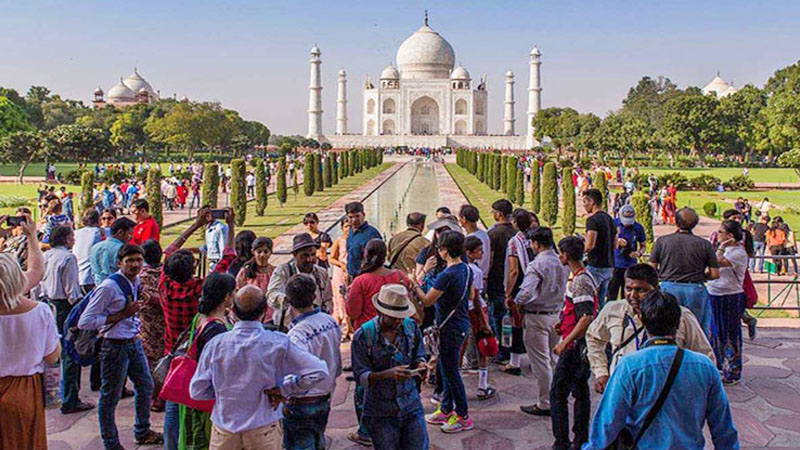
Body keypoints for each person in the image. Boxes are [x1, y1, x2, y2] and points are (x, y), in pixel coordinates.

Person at [583, 291, 739, 449]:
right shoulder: (704, 366)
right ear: (678, 323)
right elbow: (723, 427)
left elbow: (608, 422)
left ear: (643, 321)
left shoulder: (630, 366)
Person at [189, 285, 329, 449]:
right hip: (263, 430)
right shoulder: (278, 343)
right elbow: (319, 371)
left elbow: (197, 390)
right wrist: (284, 389)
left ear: (233, 310)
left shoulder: (216, 345)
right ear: (265, 310)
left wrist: (225, 390)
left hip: (224, 430)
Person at [78, 244, 164, 448]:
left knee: (146, 385)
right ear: (119, 263)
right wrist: (120, 315)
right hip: (114, 346)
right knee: (110, 397)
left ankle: (142, 431)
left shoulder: (135, 282)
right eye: (130, 261)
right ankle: (111, 442)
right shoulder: (109, 287)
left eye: (138, 260)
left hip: (133, 342)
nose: (135, 265)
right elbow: (85, 321)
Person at [585, 263, 714, 394]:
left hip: (666, 394)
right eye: (628, 289)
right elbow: (594, 338)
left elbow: (705, 357)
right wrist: (601, 372)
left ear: (656, 289)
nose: (633, 295)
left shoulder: (681, 316)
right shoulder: (613, 310)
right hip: (622, 391)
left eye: (640, 290)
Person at [0, 214, 59, 450]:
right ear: (18, 278)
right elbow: (52, 356)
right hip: (24, 390)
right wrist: (32, 236)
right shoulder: (39, 312)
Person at [351, 284, 430, 450]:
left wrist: (421, 365)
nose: (398, 321)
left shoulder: (410, 327)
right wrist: (386, 374)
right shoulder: (364, 336)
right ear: (380, 312)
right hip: (381, 412)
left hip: (411, 405)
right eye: (393, 317)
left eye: (401, 316)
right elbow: (361, 377)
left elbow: (418, 354)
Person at [412, 231, 475, 434]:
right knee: (447, 369)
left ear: (445, 250)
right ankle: (447, 408)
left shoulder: (448, 274)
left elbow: (428, 300)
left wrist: (414, 283)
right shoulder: (466, 269)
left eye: (440, 247)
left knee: (451, 372)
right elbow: (472, 294)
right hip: (460, 324)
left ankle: (463, 415)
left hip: (450, 328)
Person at [284, 274, 343, 450]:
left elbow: (302, 374)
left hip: (302, 402)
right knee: (318, 440)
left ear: (288, 301)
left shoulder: (297, 335)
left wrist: (284, 390)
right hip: (324, 396)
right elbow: (337, 362)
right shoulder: (329, 321)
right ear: (314, 296)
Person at [177, 273, 236, 449]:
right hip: (207, 399)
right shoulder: (216, 329)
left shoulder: (202, 317)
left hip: (196, 391)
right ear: (226, 297)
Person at [515, 227, 569, 417]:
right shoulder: (562, 261)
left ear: (536, 243)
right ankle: (557, 397)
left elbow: (526, 292)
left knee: (541, 362)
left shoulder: (537, 264)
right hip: (556, 314)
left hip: (537, 315)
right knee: (553, 359)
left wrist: (518, 302)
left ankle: (546, 402)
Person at [550, 236, 598, 450]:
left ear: (566, 255)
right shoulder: (579, 277)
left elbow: (586, 317)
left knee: (558, 393)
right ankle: (580, 438)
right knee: (580, 390)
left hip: (574, 346)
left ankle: (563, 442)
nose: (559, 256)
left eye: (560, 253)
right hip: (575, 341)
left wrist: (565, 342)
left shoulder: (581, 281)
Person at [40, 225, 94, 414]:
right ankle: (71, 398)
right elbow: (72, 291)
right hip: (64, 307)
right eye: (72, 237)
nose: (74, 240)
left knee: (52, 352)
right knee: (71, 353)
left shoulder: (45, 256)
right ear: (65, 239)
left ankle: (55, 395)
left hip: (48, 305)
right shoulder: (68, 258)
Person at [649, 207, 719, 338]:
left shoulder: (662, 241)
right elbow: (715, 274)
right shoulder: (705, 244)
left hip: (669, 287)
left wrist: (664, 274)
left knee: (667, 329)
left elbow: (651, 268)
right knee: (697, 331)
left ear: (676, 222)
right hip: (695, 288)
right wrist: (701, 276)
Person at [709, 220, 749, 385]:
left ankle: (732, 369)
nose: (718, 235)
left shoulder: (738, 253)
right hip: (715, 293)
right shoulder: (728, 250)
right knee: (715, 332)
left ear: (730, 236)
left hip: (730, 295)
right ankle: (717, 365)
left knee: (730, 334)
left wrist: (720, 247)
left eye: (721, 232)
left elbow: (717, 262)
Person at [267, 233, 333, 331]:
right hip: (288, 328)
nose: (310, 259)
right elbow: (271, 295)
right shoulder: (283, 271)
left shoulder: (321, 273)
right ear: (295, 255)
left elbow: (328, 299)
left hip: (315, 328)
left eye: (313, 254)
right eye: (305, 255)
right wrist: (290, 299)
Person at [347, 239, 415, 330]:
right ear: (385, 256)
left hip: (368, 331)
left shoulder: (360, 281)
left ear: (365, 255)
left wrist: (346, 296)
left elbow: (353, 312)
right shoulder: (399, 276)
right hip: (397, 329)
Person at [502, 209, 536, 375]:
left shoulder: (515, 242)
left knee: (517, 324)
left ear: (515, 223)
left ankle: (514, 362)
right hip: (536, 283)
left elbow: (513, 270)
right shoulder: (535, 238)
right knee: (532, 324)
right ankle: (534, 359)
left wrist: (508, 293)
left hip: (521, 286)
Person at [463, 235, 496, 400]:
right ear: (469, 253)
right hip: (476, 311)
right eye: (479, 251)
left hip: (463, 312)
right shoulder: (475, 271)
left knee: (461, 348)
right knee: (484, 344)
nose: (482, 253)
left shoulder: (458, 268)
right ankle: (482, 385)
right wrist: (484, 321)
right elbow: (476, 297)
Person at [486, 199, 516, 364]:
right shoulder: (516, 232)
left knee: (498, 317)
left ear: (499, 214)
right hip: (513, 279)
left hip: (497, 279)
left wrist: (485, 278)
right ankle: (513, 347)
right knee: (511, 316)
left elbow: (489, 259)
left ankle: (503, 350)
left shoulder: (494, 234)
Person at [137, 239, 166, 412]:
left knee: (151, 363)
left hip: (147, 326)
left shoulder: (140, 277)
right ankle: (161, 396)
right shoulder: (168, 273)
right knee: (164, 361)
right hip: (165, 324)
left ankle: (154, 397)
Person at [582, 188, 616, 306]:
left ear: (592, 202)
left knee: (590, 300)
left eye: (585, 202)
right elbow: (615, 244)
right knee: (601, 301)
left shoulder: (592, 220)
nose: (584, 206)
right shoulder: (610, 219)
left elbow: (589, 245)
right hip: (609, 265)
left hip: (596, 265)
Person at [608, 205, 647, 301]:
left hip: (630, 265)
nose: (627, 224)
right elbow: (605, 240)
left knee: (627, 294)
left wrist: (638, 253)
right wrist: (617, 240)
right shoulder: (613, 224)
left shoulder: (638, 228)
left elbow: (643, 245)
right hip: (615, 264)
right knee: (612, 293)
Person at [90, 217, 136, 285]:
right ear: (120, 232)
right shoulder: (122, 249)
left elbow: (93, 272)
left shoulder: (95, 247)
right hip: (118, 289)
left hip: (99, 288)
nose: (131, 237)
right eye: (130, 233)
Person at [235, 237, 276, 311]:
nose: (262, 255)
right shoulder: (245, 272)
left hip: (271, 314)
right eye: (259, 252)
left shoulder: (275, 272)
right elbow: (237, 291)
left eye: (266, 252)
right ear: (253, 252)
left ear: (271, 252)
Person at [345, 201, 383, 279]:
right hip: (352, 275)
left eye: (357, 216)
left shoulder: (372, 234)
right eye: (351, 217)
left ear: (363, 215)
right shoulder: (351, 232)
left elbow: (379, 258)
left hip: (367, 276)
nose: (354, 220)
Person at [387, 212, 430, 276]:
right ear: (422, 225)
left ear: (407, 223)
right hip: (413, 278)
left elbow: (388, 256)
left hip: (395, 277)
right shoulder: (424, 242)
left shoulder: (394, 238)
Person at [73, 209, 104, 294]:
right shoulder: (99, 233)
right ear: (99, 220)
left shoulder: (75, 233)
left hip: (77, 277)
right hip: (92, 278)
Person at [330, 221, 352, 338]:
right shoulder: (339, 241)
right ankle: (344, 326)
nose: (348, 228)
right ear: (342, 228)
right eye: (346, 226)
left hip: (351, 272)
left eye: (350, 226)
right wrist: (341, 264)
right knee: (340, 298)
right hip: (340, 272)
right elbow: (332, 258)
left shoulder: (354, 239)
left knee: (351, 297)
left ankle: (349, 325)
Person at [459, 205, 490, 280]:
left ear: (464, 219)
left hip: (474, 278)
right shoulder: (484, 234)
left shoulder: (470, 240)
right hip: (483, 276)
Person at [204, 207, 230, 271]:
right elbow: (209, 246)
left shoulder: (220, 228)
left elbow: (223, 249)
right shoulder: (208, 228)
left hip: (217, 263)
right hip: (211, 264)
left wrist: (221, 266)